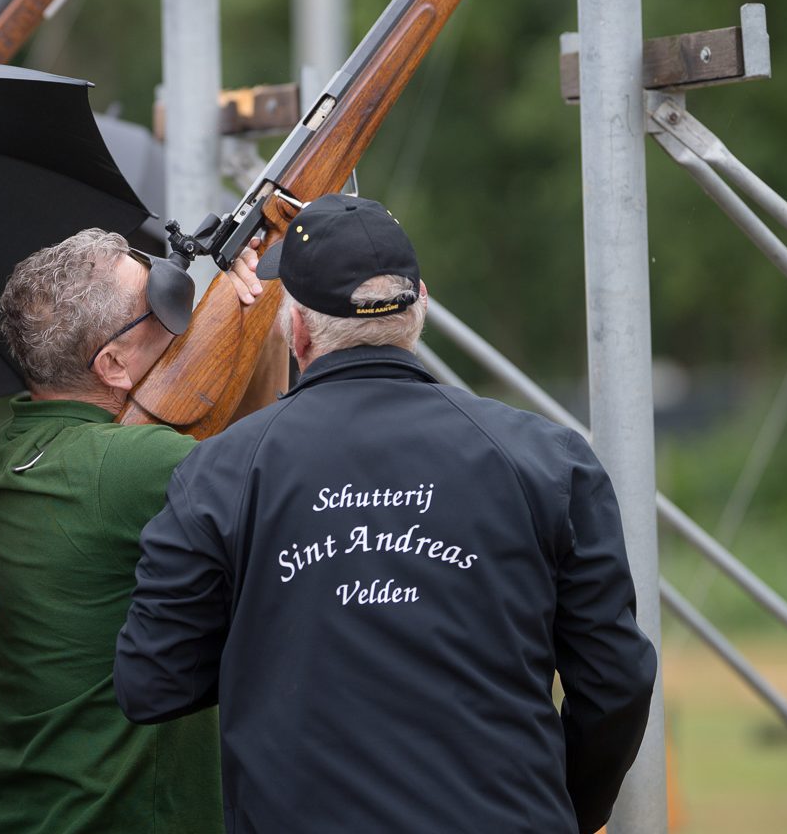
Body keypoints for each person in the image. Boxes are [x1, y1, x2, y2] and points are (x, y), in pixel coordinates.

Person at [115, 195, 657, 833]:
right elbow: (616, 680)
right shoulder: (547, 459)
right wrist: (565, 807)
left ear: (299, 329)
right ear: (420, 306)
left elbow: (153, 680)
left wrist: (273, 644)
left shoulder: (219, 472)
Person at [0, 228, 274, 833]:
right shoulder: (129, 465)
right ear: (111, 365)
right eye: (157, 301)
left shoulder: (3, 454)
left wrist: (244, 328)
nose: (176, 303)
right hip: (124, 815)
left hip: (22, 808)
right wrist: (265, 315)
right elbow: (286, 473)